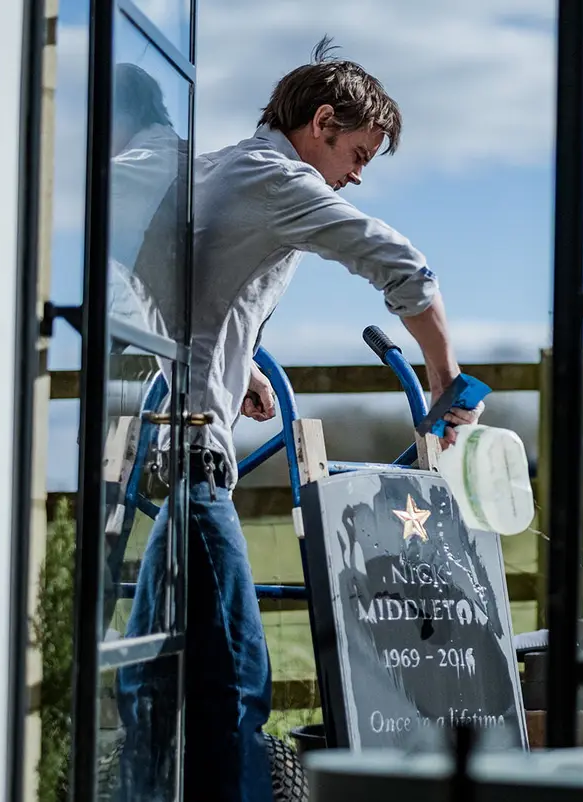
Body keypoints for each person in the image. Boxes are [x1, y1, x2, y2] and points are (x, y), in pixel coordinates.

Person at [116, 37, 485, 802]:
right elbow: (397, 260)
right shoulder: (276, 178)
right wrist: (445, 374)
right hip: (196, 466)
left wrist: (238, 357)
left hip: (180, 450)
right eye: (358, 153)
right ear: (321, 122)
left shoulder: (216, 167)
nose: (356, 175)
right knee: (238, 687)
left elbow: (175, 288)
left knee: (153, 683)